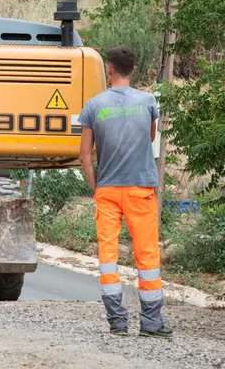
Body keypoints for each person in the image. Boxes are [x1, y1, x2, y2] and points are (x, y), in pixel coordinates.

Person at [77, 46, 172, 339]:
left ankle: (118, 323)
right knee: (147, 256)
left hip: (108, 190)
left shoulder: (93, 106)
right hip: (140, 189)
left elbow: (84, 156)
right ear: (132, 69)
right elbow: (150, 137)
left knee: (108, 256)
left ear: (109, 69)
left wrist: (98, 188)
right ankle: (151, 323)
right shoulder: (147, 102)